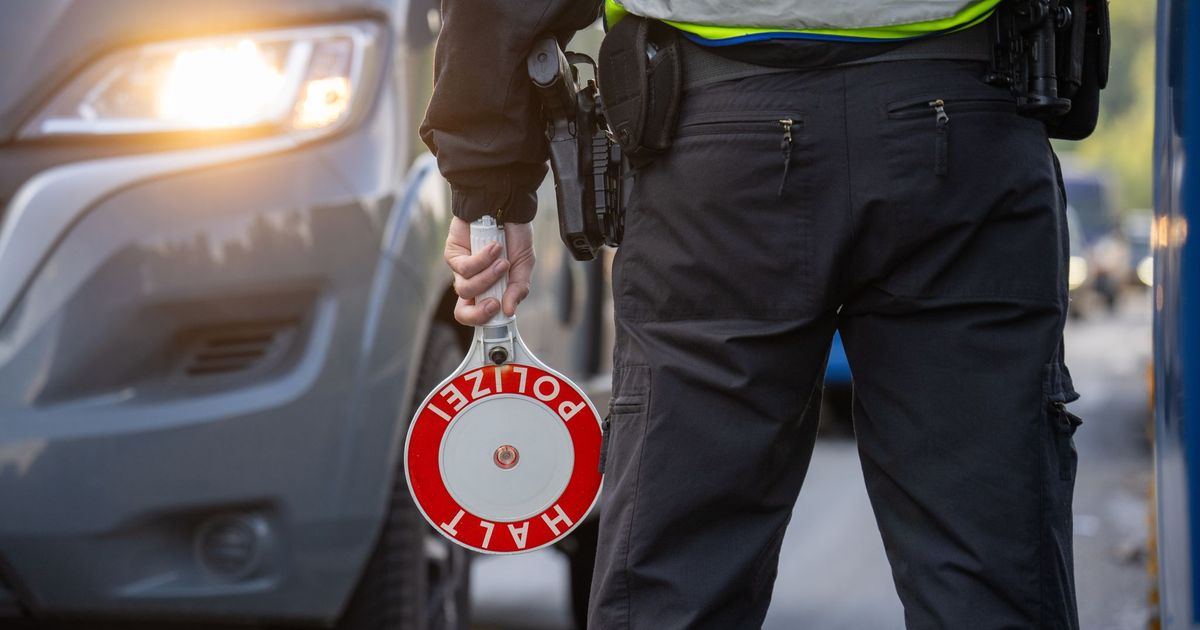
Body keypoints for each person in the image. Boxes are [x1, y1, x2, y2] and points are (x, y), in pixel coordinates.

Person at [420, 0, 1083, 627]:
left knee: (680, 579)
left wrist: (490, 186)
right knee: (992, 571)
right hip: (966, 133)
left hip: (713, 147)